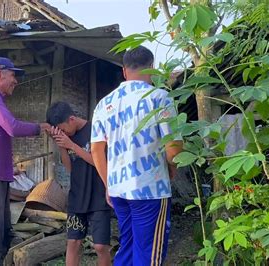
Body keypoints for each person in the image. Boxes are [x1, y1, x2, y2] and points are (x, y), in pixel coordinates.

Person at [90, 46, 183, 266]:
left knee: (128, 246)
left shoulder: (104, 104)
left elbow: (96, 150)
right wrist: (172, 169)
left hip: (119, 189)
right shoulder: (160, 98)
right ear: (152, 68)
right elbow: (173, 150)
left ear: (124, 71)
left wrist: (108, 185)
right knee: (149, 253)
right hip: (150, 189)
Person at [0, 57, 51, 266]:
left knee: (0, 232)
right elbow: (12, 127)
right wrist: (40, 127)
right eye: (13, 75)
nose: (16, 81)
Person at [46, 102, 111, 266]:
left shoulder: (95, 129)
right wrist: (62, 146)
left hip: (98, 195)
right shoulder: (67, 137)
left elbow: (100, 162)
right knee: (73, 243)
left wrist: (72, 145)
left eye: (64, 129)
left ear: (72, 119)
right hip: (77, 196)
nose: (64, 133)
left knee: (100, 246)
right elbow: (70, 168)